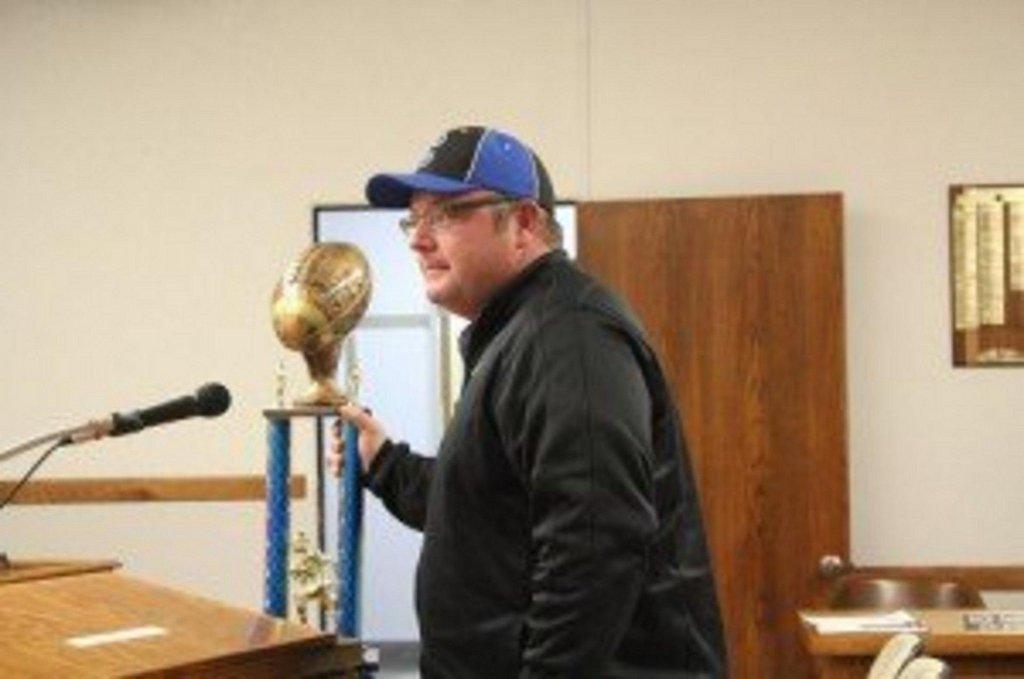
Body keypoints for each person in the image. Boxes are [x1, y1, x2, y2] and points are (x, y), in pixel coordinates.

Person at [334, 126, 726, 678]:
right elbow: (488, 513)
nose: (418, 240)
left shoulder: (566, 336)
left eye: (445, 214)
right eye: (413, 219)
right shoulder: (518, 333)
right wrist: (385, 463)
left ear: (522, 223)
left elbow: (592, 548)